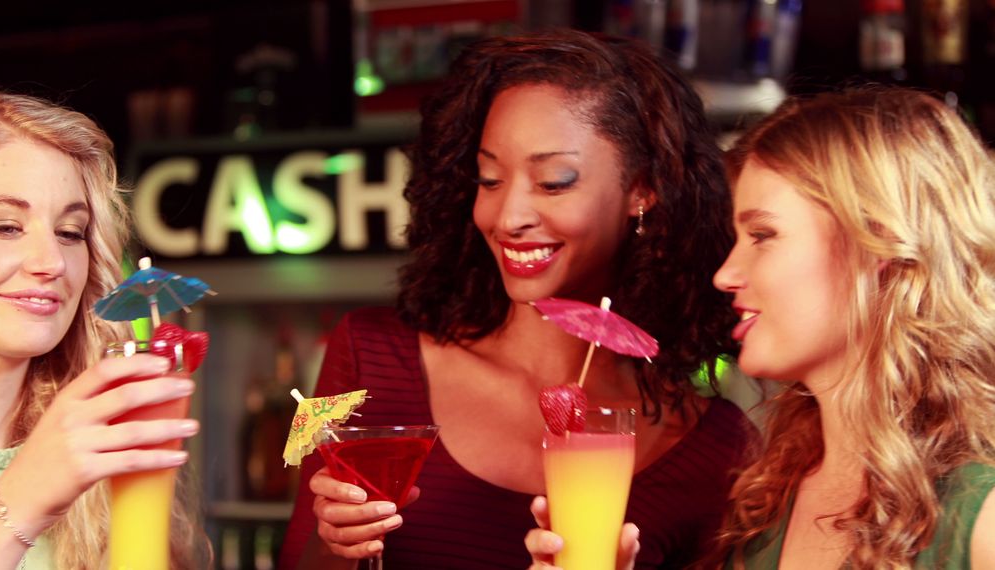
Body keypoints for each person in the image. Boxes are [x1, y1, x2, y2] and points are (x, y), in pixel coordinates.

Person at [279, 29, 754, 569]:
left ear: (642, 189)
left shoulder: (714, 444)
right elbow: (297, 559)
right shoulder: (366, 352)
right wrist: (339, 543)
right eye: (489, 179)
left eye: (554, 182)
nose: (508, 218)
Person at [0, 90, 208, 569]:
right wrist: (20, 499)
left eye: (71, 233)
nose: (52, 263)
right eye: (4, 226)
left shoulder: (103, 442)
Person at [706, 88, 995, 568]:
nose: (725, 274)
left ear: (876, 243)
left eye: (762, 236)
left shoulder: (982, 520)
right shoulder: (766, 498)